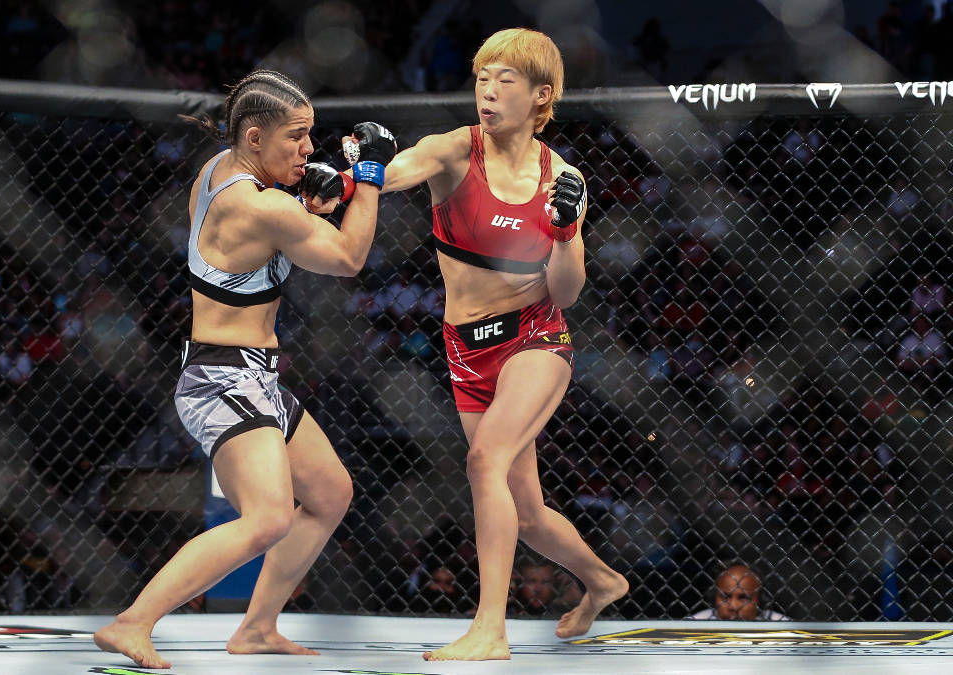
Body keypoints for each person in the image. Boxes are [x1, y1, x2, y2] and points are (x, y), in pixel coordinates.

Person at [93, 69, 396, 669]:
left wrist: (307, 203)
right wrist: (370, 178)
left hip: (252, 376)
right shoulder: (257, 203)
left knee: (331, 494)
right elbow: (347, 257)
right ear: (255, 137)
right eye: (298, 137)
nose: (309, 149)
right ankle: (133, 623)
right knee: (267, 518)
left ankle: (257, 627)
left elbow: (274, 241)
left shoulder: (219, 170)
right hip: (221, 378)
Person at [379, 28, 628, 661]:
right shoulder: (453, 151)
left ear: (542, 95)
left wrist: (568, 233)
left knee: (484, 462)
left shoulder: (562, 177)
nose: (487, 92)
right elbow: (393, 173)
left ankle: (490, 628)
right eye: (482, 78)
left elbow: (567, 293)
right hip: (466, 350)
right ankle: (601, 580)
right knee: (528, 511)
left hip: (535, 339)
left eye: (504, 81)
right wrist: (363, 166)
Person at [688, 563, 790, 620]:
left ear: (760, 599)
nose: (733, 606)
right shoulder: (696, 623)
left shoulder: (781, 625)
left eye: (743, 598)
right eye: (725, 596)